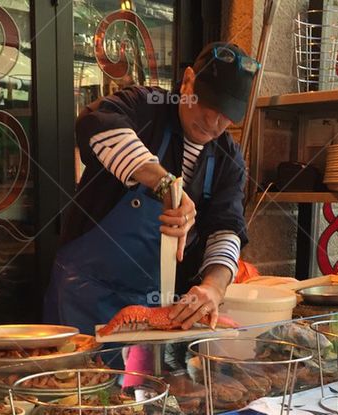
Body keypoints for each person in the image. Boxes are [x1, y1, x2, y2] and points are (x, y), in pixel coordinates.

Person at [43, 42, 258, 334]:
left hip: (154, 311)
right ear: (188, 81)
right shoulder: (146, 106)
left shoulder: (228, 159)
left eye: (226, 113)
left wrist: (214, 287)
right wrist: (165, 185)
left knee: (144, 381)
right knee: (73, 379)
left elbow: (227, 228)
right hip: (82, 296)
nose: (212, 120)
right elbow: (94, 123)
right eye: (207, 103)